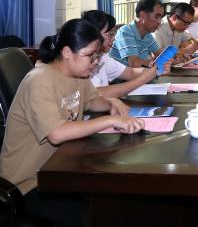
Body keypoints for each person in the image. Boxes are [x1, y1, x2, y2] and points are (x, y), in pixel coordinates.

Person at [0, 19, 143, 227]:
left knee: (117, 198)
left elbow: (91, 101)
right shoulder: (40, 80)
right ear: (67, 52)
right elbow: (57, 133)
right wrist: (111, 120)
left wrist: (111, 103)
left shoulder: (78, 75)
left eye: (97, 55)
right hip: (28, 183)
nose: (95, 62)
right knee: (102, 213)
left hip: (59, 169)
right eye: (90, 56)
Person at [82, 10, 159, 98]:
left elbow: (130, 72)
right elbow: (96, 94)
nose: (113, 38)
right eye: (109, 33)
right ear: (93, 34)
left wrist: (154, 70)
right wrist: (141, 80)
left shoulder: (103, 57)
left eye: (113, 33)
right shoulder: (82, 62)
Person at [109, 0, 169, 67]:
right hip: (120, 74)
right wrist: (152, 62)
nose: (159, 22)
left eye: (161, 18)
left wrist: (172, 58)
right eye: (156, 17)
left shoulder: (147, 34)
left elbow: (159, 54)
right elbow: (134, 63)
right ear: (142, 15)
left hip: (139, 72)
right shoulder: (125, 32)